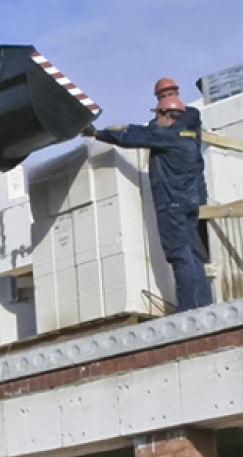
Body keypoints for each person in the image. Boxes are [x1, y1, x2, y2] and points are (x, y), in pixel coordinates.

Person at [84, 93, 211, 311]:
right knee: (193, 255)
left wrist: (97, 133)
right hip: (190, 203)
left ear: (167, 115)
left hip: (172, 205)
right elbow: (148, 132)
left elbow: (131, 140)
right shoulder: (188, 134)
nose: (156, 120)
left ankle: (189, 308)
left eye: (158, 116)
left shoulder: (167, 136)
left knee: (179, 255)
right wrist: (127, 126)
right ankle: (204, 304)